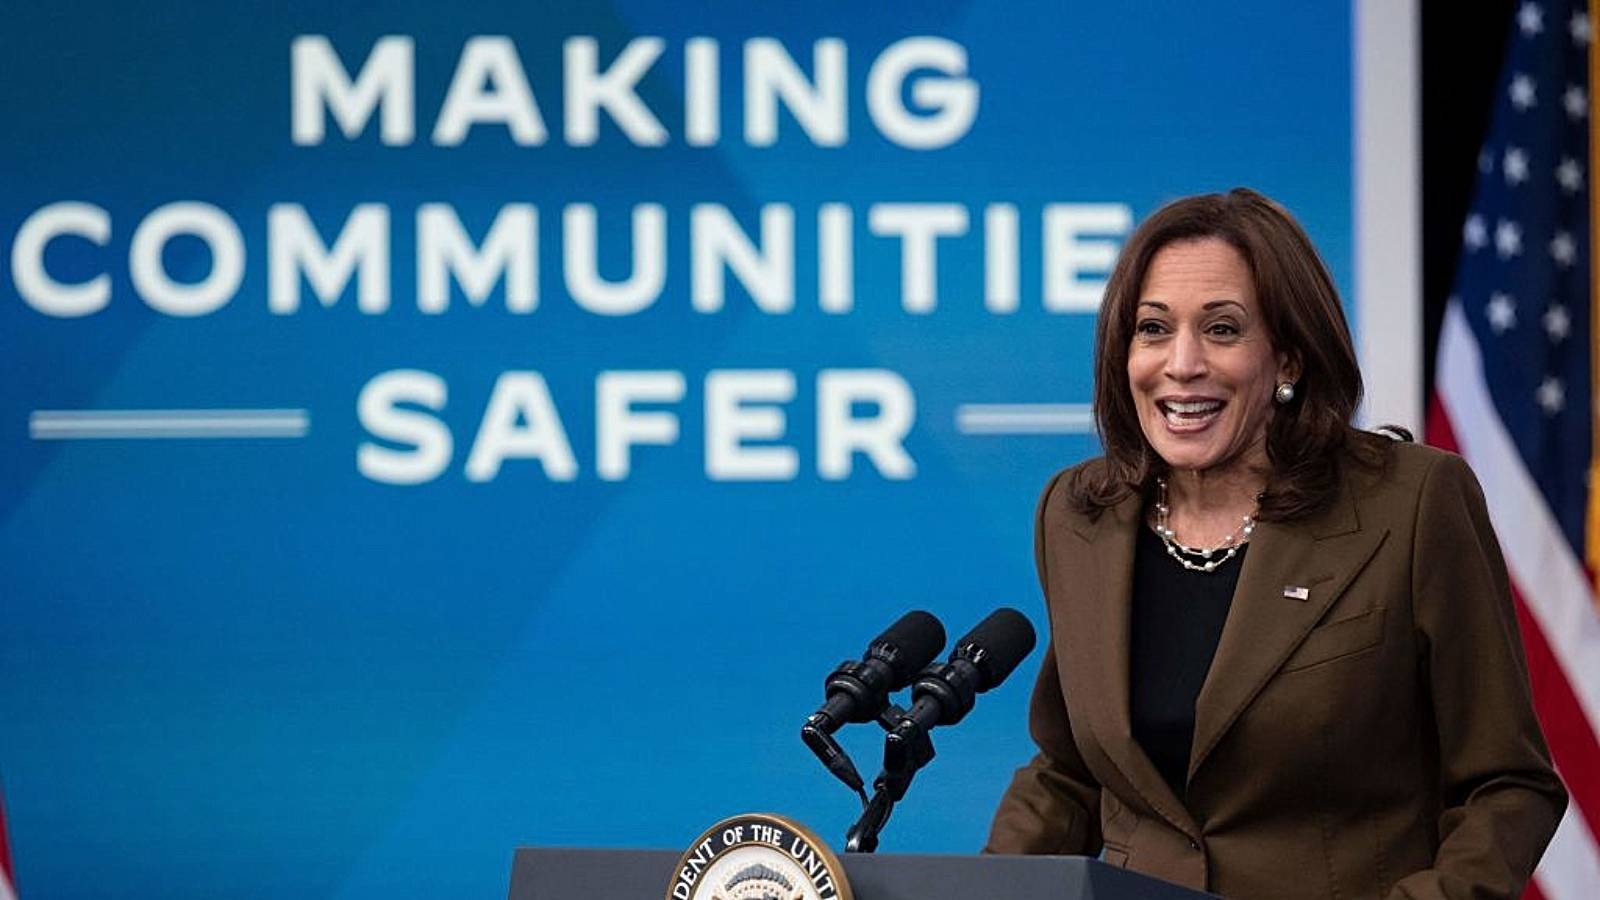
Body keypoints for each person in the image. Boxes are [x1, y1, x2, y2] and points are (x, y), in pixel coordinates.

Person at [985, 188, 1566, 899]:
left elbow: (1507, 786)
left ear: (1288, 360)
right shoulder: (1080, 515)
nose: (1182, 363)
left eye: (1222, 329)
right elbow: (1069, 771)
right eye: (1153, 329)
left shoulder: (1412, 503)